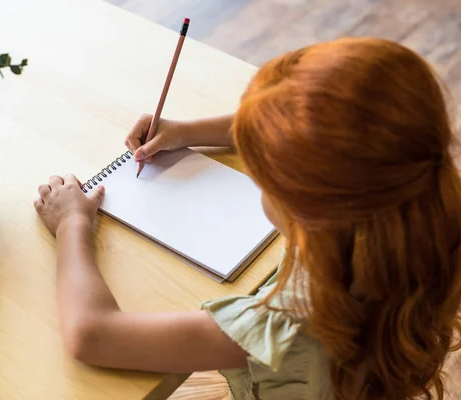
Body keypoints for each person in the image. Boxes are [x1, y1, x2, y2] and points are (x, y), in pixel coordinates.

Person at [33, 37, 461, 399]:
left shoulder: (280, 325)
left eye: (262, 172)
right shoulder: (424, 200)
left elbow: (92, 335)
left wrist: (72, 224)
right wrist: (184, 131)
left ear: (303, 209)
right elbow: (324, 130)